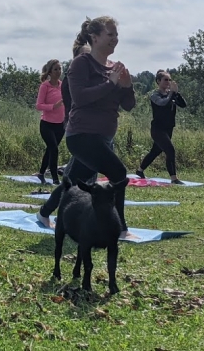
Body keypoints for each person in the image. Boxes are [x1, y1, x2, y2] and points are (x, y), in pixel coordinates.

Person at [36, 16, 136, 239]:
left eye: (116, 35)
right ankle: (120, 229)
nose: (115, 39)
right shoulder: (81, 63)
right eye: (110, 35)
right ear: (95, 37)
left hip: (103, 137)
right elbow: (80, 98)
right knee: (119, 173)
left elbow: (128, 105)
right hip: (82, 136)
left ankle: (43, 213)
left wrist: (127, 86)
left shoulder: (114, 67)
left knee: (75, 183)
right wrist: (110, 83)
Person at [135, 70, 187, 184]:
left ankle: (139, 171)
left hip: (169, 128)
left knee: (155, 151)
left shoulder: (171, 94)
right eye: (165, 80)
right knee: (170, 150)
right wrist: (172, 94)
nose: (168, 82)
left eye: (169, 80)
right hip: (158, 129)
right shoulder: (155, 95)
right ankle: (174, 178)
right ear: (158, 81)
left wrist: (176, 93)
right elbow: (163, 103)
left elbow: (183, 105)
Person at [35, 59, 65, 185]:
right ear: (50, 72)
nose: (58, 72)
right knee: (54, 149)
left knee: (51, 149)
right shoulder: (45, 86)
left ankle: (41, 173)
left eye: (59, 69)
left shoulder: (63, 85)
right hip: (47, 124)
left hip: (60, 124)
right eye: (55, 69)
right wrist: (53, 106)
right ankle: (55, 178)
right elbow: (38, 105)